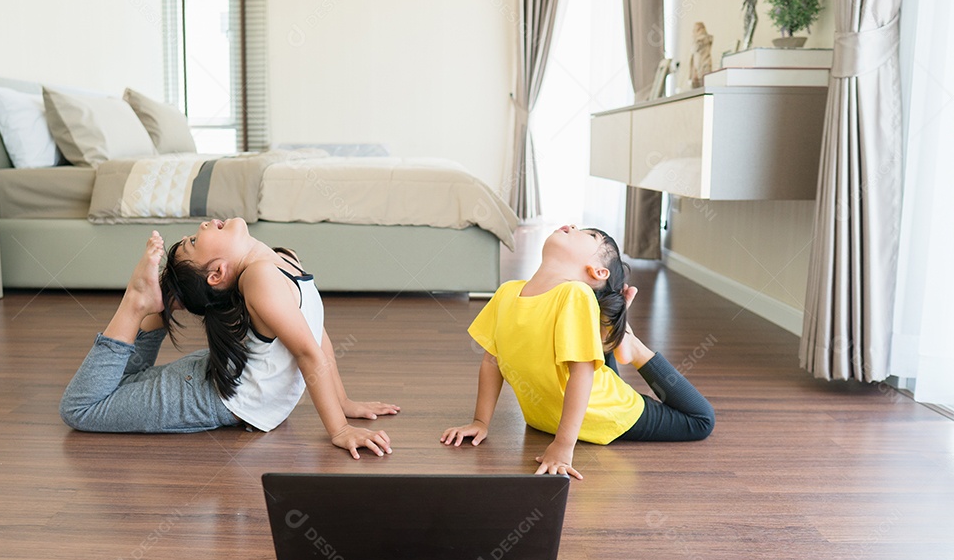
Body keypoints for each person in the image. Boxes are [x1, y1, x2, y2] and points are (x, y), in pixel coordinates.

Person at [60, 221, 399, 459]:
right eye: (195, 240)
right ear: (217, 273)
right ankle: (138, 304)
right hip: (206, 394)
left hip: (216, 381)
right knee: (82, 408)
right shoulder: (264, 275)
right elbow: (309, 353)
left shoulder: (282, 260)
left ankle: (152, 307)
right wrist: (339, 429)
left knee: (114, 387)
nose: (204, 226)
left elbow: (315, 337)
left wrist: (343, 402)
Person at [440, 225, 714, 478]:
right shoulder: (507, 292)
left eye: (590, 235)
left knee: (702, 420)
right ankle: (612, 335)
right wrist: (480, 421)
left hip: (607, 411)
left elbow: (582, 374)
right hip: (553, 417)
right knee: (588, 346)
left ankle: (632, 346)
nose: (571, 226)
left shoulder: (576, 295)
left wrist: (562, 445)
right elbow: (492, 360)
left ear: (598, 272)